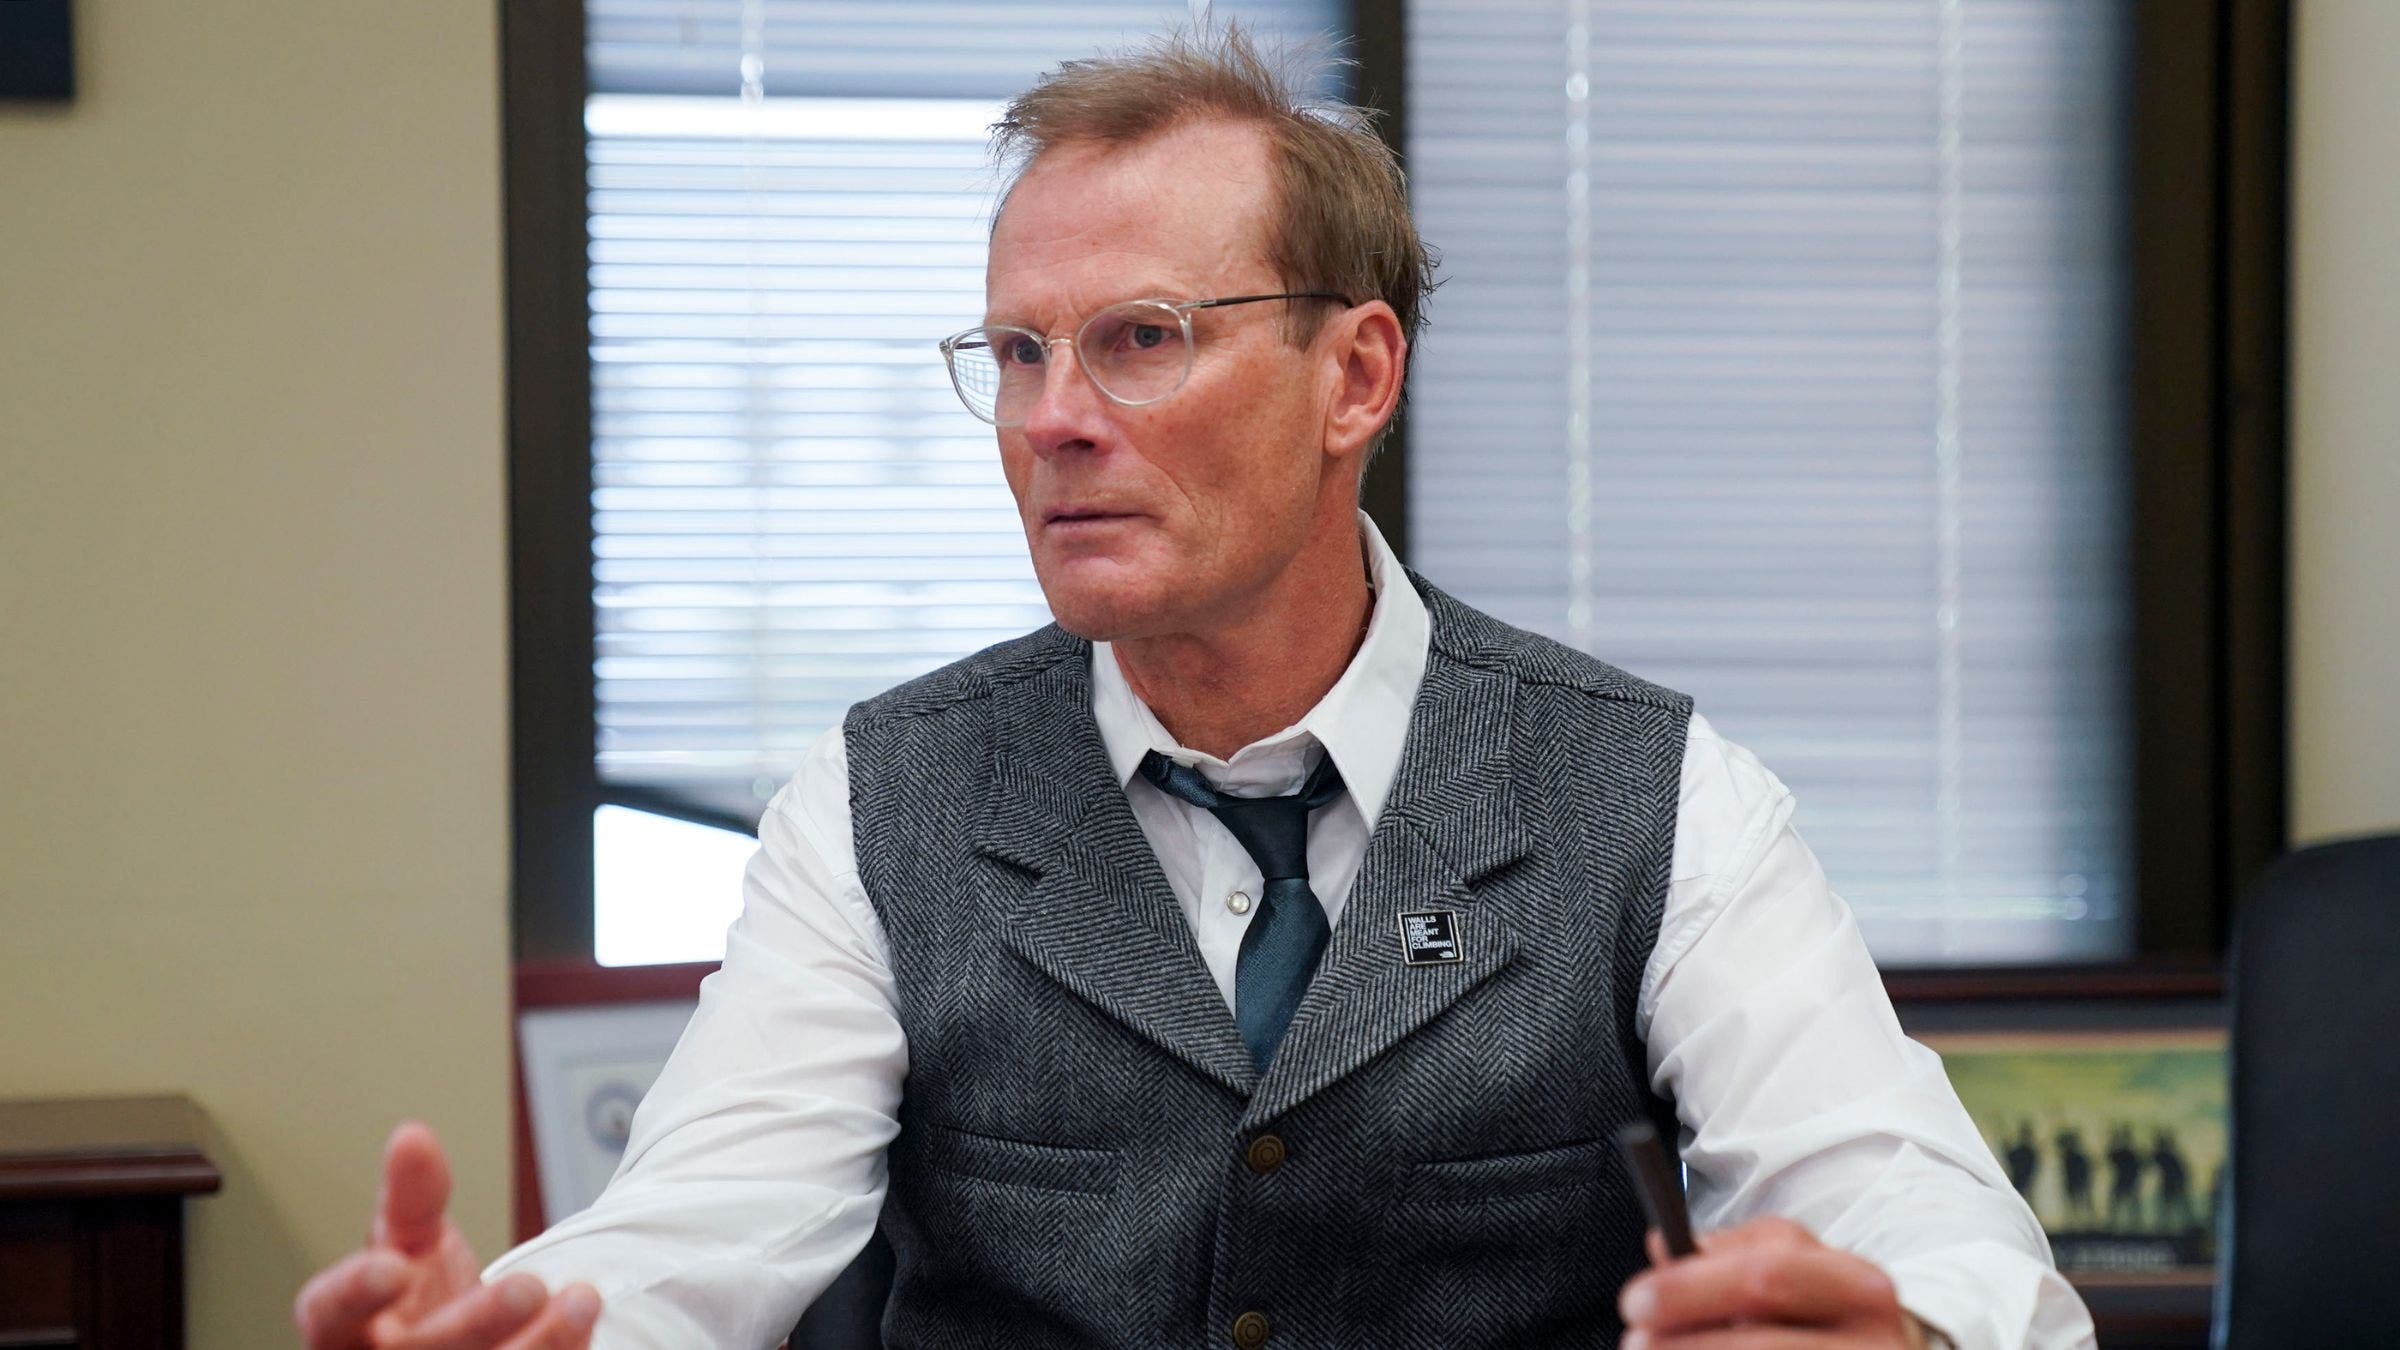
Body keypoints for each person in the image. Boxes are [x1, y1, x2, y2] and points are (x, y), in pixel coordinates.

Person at [297, 28, 2095, 1350]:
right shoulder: (882, 803)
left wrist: (1915, 1337)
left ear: (1356, 373)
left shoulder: (1658, 796)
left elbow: (1940, 1233)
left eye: (1140, 338)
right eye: (1017, 351)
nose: (1053, 414)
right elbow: (697, 1232)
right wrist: (526, 1324)